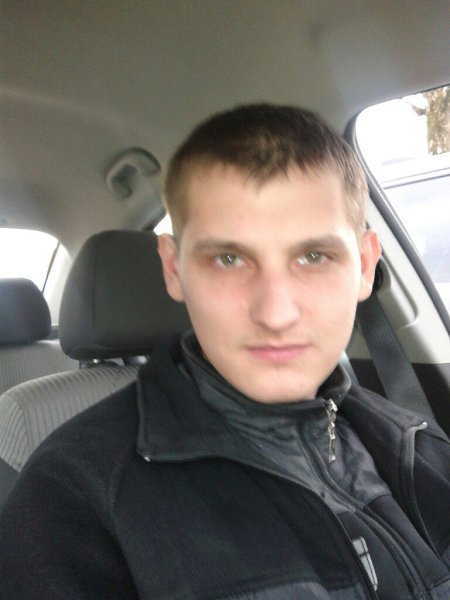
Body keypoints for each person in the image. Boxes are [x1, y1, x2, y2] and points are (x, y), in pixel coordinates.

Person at [0, 104, 449, 599]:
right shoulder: (74, 499)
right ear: (174, 270)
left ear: (364, 265)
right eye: (229, 259)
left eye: (313, 256)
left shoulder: (418, 445)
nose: (275, 313)